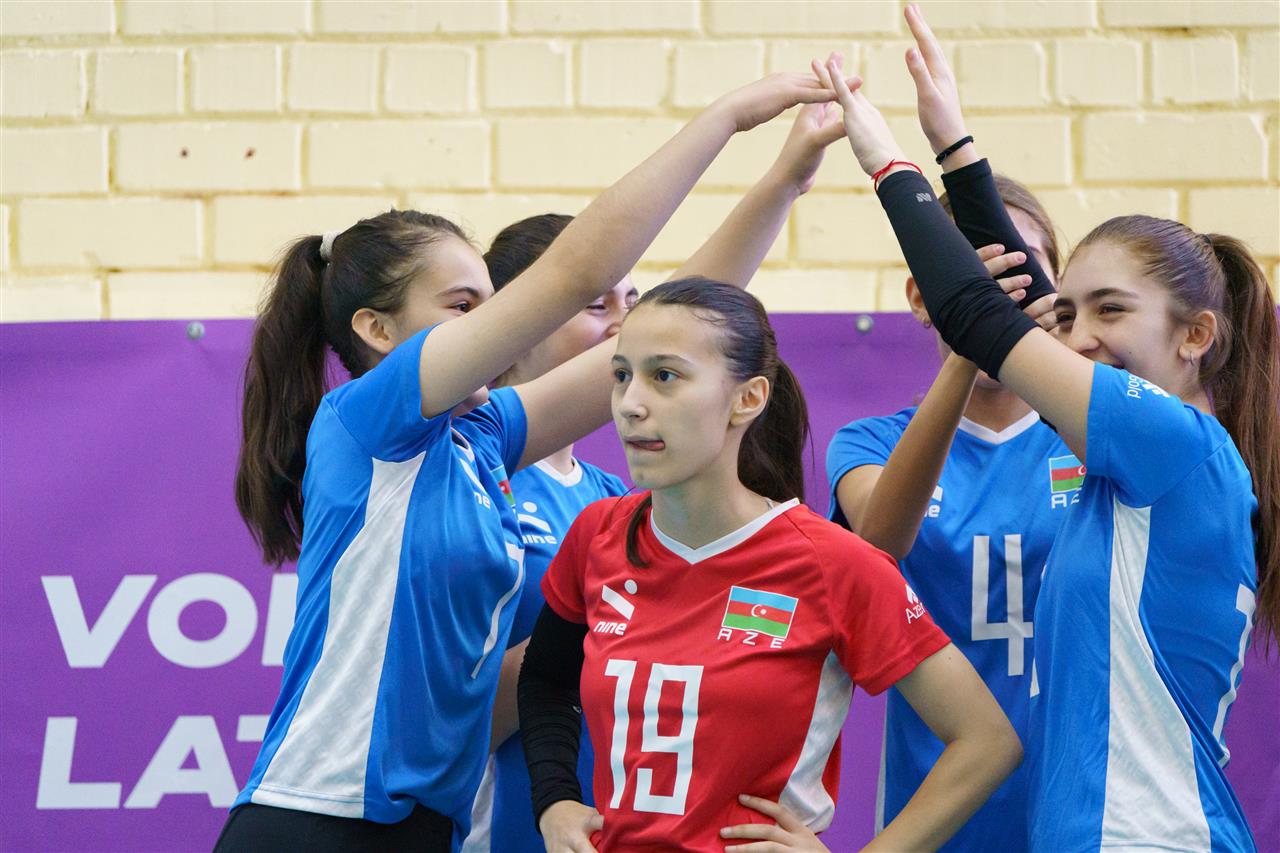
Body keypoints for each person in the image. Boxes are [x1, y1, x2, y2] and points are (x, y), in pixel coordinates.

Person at [217, 70, 845, 852]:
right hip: (315, 819)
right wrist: (726, 116)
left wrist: (785, 180)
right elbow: (575, 272)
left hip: (425, 830)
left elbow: (672, 327)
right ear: (377, 329)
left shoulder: (481, 439)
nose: (495, 325)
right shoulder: (365, 421)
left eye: (493, 302)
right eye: (464, 306)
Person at [816, 6, 1279, 850]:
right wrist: (955, 143)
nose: (1081, 336)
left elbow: (985, 315)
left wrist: (888, 162)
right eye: (1071, 314)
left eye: (1112, 310)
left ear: (1196, 334)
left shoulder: (1173, 444)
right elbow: (1021, 317)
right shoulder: (1136, 466)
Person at [467, 96, 851, 853]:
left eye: (632, 301)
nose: (622, 321)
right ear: (518, 318)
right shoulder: (472, 469)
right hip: (508, 820)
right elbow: (468, 705)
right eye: (594, 303)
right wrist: (586, 641)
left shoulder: (616, 502)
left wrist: (784, 180)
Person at [518, 278, 1023, 853]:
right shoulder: (598, 534)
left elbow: (986, 742)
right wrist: (554, 800)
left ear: (749, 398)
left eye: (665, 376)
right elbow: (546, 679)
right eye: (621, 375)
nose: (631, 403)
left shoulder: (833, 562)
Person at [827, 175, 1062, 852]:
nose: (995, 292)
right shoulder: (870, 444)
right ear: (920, 296)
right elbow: (880, 539)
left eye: (1019, 268)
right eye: (963, 271)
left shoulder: (1096, 439)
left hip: (1082, 816)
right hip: (935, 819)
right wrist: (971, 338)